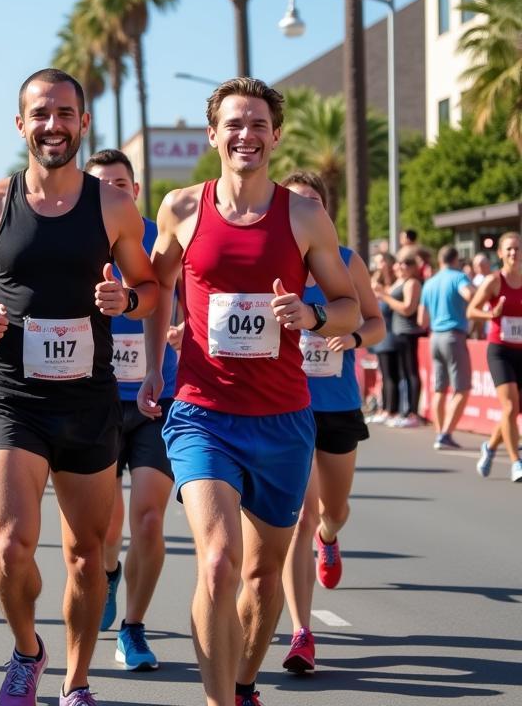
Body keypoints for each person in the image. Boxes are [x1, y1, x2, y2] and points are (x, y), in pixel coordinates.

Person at [0, 68, 158, 706]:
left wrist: (127, 297)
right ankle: (28, 650)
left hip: (88, 399)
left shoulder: (112, 205)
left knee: (89, 554)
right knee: (10, 546)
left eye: (65, 114)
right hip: (13, 396)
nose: (53, 126)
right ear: (20, 124)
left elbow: (150, 290)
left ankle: (78, 681)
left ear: (82, 123)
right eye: (40, 114)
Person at [140, 77, 358, 706]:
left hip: (284, 420)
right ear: (213, 135)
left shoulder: (304, 215)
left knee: (262, 581)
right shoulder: (181, 209)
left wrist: (312, 317)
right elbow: (158, 293)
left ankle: (242, 685)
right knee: (217, 560)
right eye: (234, 124)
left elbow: (346, 306)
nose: (246, 135)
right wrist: (156, 366)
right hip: (203, 413)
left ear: (275, 136)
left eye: (258, 125)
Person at [276, 172, 384, 675]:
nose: (305, 210)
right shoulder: (274, 262)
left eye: (312, 202)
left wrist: (355, 339)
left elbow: (375, 320)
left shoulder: (345, 262)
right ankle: (302, 632)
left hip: (338, 404)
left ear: (326, 211)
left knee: (332, 509)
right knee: (302, 512)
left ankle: (331, 536)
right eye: (295, 202)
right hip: (287, 403)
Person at [84, 148, 177, 672]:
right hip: (94, 400)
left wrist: (179, 341)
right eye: (103, 185)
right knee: (103, 528)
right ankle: (111, 572)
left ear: (135, 190)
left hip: (155, 397)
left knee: (147, 519)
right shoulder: (73, 235)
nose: (114, 193)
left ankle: (134, 629)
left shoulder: (158, 239)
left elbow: (183, 295)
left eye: (122, 184)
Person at [469, 232, 522, 482]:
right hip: (500, 350)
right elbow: (471, 310)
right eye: (509, 249)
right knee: (510, 406)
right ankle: (516, 462)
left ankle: (489, 447)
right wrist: (492, 315)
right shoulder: (494, 281)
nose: (514, 253)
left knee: (513, 412)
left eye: (518, 248)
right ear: (500, 253)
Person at [417, 245, 474, 449]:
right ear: (456, 260)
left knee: (440, 388)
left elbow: (421, 319)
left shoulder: (430, 283)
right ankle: (446, 434)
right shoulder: (459, 278)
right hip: (453, 335)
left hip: (435, 336)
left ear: (440, 260)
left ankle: (440, 433)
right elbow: (469, 295)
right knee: (462, 387)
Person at [378, 250, 424, 428]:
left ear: (414, 267)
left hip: (409, 332)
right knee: (402, 373)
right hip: (398, 333)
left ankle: (413, 412)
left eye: (407, 263)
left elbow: (407, 309)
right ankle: (403, 411)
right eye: (400, 263)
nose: (401, 266)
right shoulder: (400, 281)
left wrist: (385, 297)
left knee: (411, 373)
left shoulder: (412, 283)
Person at [366, 256, 398, 426]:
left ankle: (389, 409)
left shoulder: (392, 284)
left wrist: (383, 293)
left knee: (389, 376)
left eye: (382, 262)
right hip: (379, 336)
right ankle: (382, 407)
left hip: (390, 335)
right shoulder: (375, 280)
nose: (379, 265)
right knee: (382, 375)